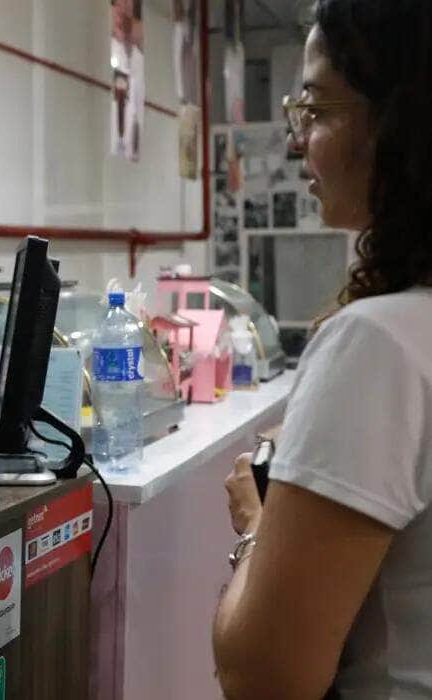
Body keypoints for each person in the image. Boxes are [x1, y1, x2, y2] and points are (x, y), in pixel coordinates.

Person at [214, 1, 432, 698]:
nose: (298, 141)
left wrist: (262, 523)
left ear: (401, 125)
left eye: (318, 109)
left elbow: (262, 676)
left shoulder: (378, 344)